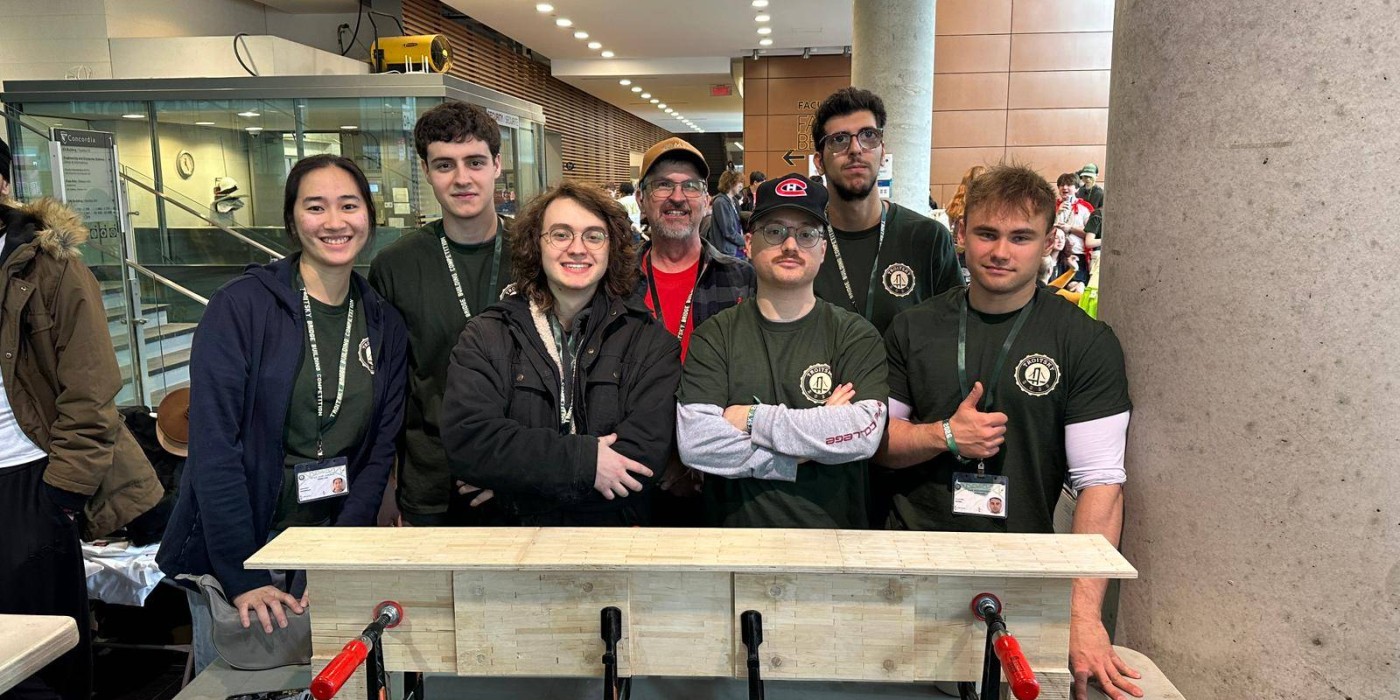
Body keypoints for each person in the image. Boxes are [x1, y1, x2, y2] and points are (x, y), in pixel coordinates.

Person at [874, 164, 1139, 700]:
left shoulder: (1085, 342)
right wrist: (945, 435)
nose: (1000, 252)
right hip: (913, 560)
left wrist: (1082, 613)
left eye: (1020, 237)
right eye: (986, 234)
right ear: (961, 234)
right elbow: (879, 444)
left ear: (1048, 241)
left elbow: (1101, 483)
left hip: (1024, 565)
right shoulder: (913, 327)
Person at [158, 154, 408, 675]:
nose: (335, 222)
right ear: (292, 220)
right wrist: (242, 574)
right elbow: (214, 449)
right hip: (240, 553)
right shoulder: (242, 307)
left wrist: (337, 557)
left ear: (369, 215)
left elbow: (378, 451)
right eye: (315, 207)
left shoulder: (383, 321)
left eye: (349, 205)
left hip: (325, 549)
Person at [0, 142, 163, 700]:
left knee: (42, 657)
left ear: (3, 185)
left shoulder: (49, 266)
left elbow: (91, 389)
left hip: (28, 476)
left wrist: (63, 492)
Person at [441, 181, 681, 526]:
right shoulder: (487, 335)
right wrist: (585, 464)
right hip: (510, 545)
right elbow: (469, 442)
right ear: (535, 244)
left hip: (610, 541)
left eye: (594, 236)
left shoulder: (651, 344)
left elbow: (640, 464)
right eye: (561, 234)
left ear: (612, 248)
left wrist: (512, 486)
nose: (577, 249)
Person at [676, 173, 888, 529]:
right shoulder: (714, 336)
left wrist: (752, 418)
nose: (790, 245)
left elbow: (864, 433)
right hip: (733, 542)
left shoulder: (855, 336)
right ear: (748, 243)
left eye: (806, 234)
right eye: (774, 231)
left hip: (834, 541)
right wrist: (806, 449)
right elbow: (697, 443)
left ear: (823, 250)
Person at [368, 101, 513, 526]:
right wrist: (384, 485)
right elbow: (385, 387)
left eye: (475, 162)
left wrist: (518, 463)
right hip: (431, 481)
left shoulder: (536, 253)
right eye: (445, 165)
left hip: (520, 473)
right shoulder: (395, 266)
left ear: (497, 165)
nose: (462, 178)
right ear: (426, 171)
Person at [632, 137, 754, 524]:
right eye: (663, 185)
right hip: (635, 479)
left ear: (706, 200)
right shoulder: (616, 283)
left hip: (724, 479)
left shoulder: (741, 280)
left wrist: (700, 453)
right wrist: (664, 454)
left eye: (691, 186)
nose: (677, 197)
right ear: (641, 199)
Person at [811, 87, 963, 337]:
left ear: (882, 152)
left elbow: (954, 331)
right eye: (839, 139)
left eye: (868, 136)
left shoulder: (928, 238)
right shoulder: (804, 242)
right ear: (819, 162)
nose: (855, 149)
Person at [1055, 172, 1097, 290]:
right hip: (1057, 255)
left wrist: (1070, 229)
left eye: (1069, 185)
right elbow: (1045, 231)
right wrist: (1057, 213)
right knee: (1056, 288)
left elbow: (1090, 234)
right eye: (1061, 185)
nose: (1064, 187)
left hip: (1077, 254)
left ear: (1077, 188)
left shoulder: (1085, 208)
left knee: (1076, 287)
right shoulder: (1052, 207)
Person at [709, 170, 746, 258]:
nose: (741, 186)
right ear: (730, 183)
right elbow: (728, 231)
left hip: (735, 248)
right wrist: (745, 241)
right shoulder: (721, 202)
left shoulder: (734, 200)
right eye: (739, 182)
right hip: (727, 252)